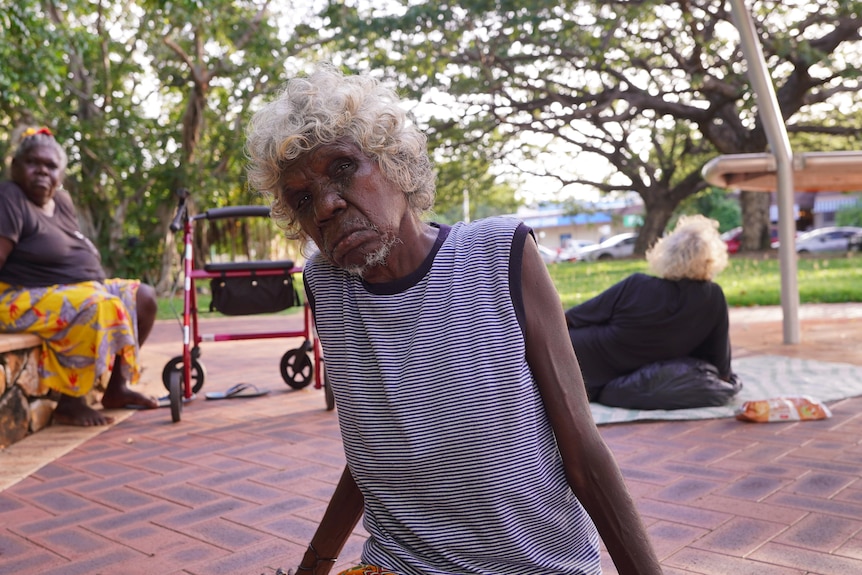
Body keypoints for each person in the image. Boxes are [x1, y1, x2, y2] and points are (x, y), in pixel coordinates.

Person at [246, 67, 662, 575]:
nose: (328, 206)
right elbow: (376, 447)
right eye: (303, 199)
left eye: (342, 169)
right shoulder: (327, 284)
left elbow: (580, 445)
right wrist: (315, 563)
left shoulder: (499, 254)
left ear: (396, 163)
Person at [0, 126, 159, 426]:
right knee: (97, 305)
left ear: (61, 173)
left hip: (75, 289)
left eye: (51, 166)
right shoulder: (9, 197)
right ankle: (70, 403)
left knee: (144, 297)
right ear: (16, 166)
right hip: (16, 295)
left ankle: (117, 388)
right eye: (33, 163)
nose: (42, 171)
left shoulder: (62, 201)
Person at [566, 215, 740, 407]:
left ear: (665, 253)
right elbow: (720, 359)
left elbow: (572, 318)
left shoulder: (638, 284)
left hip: (575, 359)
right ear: (711, 260)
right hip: (615, 376)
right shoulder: (712, 297)